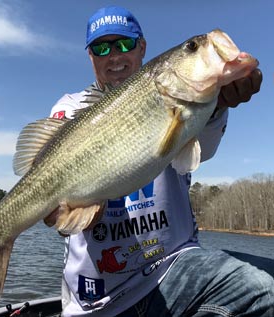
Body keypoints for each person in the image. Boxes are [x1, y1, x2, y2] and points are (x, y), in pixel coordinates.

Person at [44, 5, 274, 317]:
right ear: (90, 57)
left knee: (266, 291)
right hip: (96, 297)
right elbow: (57, 214)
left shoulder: (195, 106)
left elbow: (200, 152)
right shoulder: (70, 109)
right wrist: (64, 214)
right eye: (101, 48)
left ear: (142, 47)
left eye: (124, 44)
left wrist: (217, 105)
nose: (113, 56)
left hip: (173, 269)